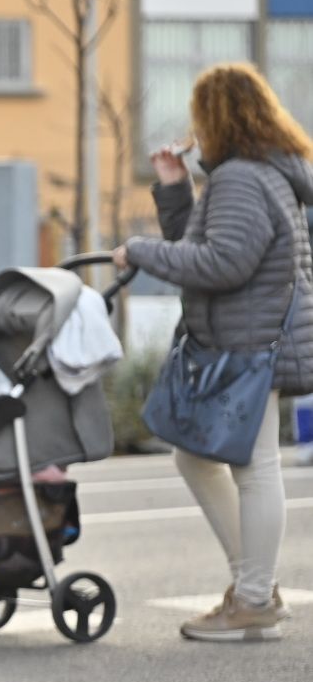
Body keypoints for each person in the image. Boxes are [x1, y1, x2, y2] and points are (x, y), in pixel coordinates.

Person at [113, 62, 313, 643]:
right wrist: (176, 188)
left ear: (217, 115)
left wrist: (139, 251)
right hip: (246, 340)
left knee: (252, 467)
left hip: (248, 345)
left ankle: (253, 597)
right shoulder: (254, 176)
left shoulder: (244, 180)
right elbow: (199, 247)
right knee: (200, 457)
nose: (192, 128)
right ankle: (255, 587)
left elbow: (222, 264)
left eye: (198, 115)